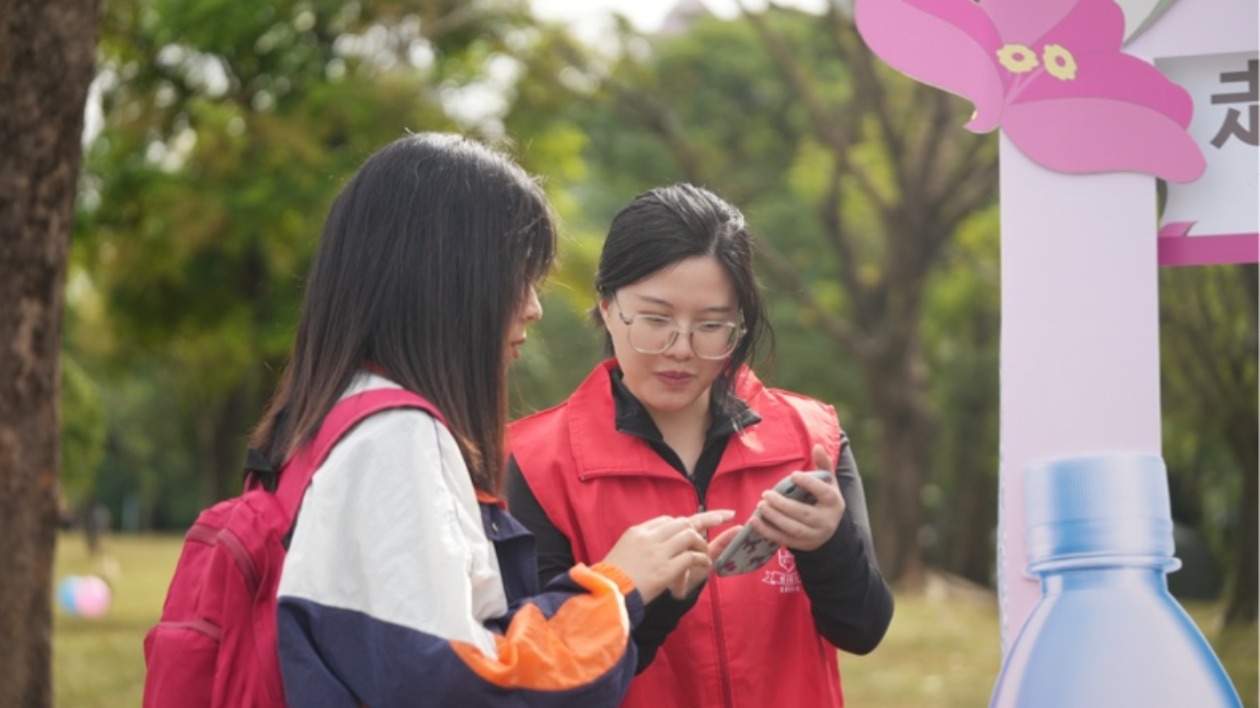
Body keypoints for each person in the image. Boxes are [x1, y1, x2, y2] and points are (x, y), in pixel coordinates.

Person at [249, 135, 733, 707]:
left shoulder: (333, 419)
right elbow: (463, 687)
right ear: (447, 281)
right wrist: (613, 587)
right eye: (518, 276)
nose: (534, 306)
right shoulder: (394, 440)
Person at [506, 183, 894, 707]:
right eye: (656, 320)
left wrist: (829, 545)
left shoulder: (811, 437)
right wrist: (634, 592)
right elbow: (547, 682)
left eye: (712, 326)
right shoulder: (533, 463)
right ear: (606, 305)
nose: (681, 350)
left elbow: (863, 629)